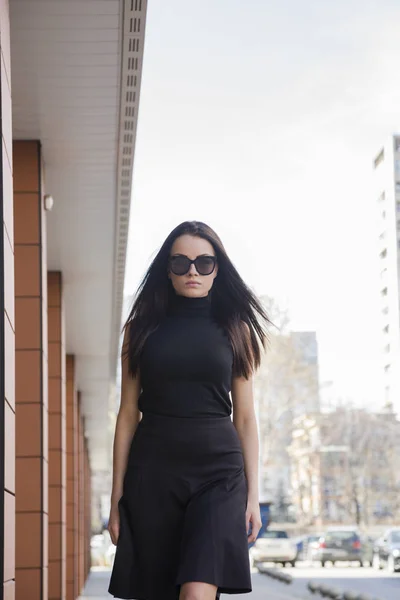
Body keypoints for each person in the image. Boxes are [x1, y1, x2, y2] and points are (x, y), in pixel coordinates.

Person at [108, 221, 270, 600]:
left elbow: (245, 418)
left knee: (197, 592)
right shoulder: (139, 330)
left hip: (220, 475)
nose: (192, 271)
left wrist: (252, 495)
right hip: (154, 475)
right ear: (167, 269)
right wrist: (118, 497)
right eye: (180, 263)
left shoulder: (236, 329)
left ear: (218, 269)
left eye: (204, 263)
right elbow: (127, 414)